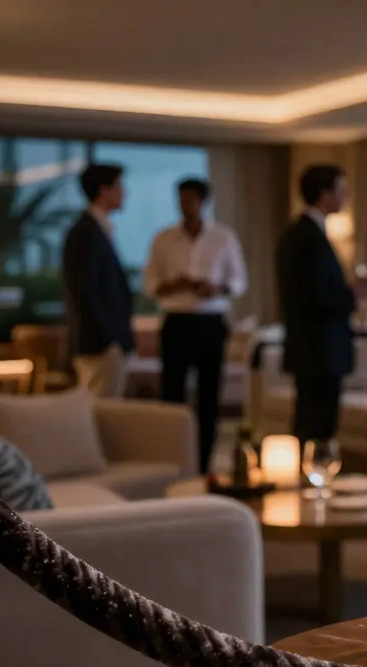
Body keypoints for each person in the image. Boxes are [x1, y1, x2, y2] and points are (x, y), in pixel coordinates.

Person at [143, 178, 247, 476]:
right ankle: (171, 460)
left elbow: (239, 281)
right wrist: (174, 284)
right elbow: (149, 285)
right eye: (181, 199)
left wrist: (216, 288)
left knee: (209, 395)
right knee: (172, 393)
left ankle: (203, 463)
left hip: (210, 322)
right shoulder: (164, 238)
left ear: (203, 202)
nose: (184, 205)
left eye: (190, 199)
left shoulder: (223, 237)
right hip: (176, 321)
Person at [276, 165, 367, 448]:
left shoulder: (299, 234)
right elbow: (315, 297)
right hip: (320, 349)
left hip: (311, 348)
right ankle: (315, 473)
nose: (345, 196)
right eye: (341, 190)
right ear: (324, 194)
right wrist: (353, 296)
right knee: (317, 425)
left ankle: (310, 471)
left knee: (310, 421)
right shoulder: (309, 238)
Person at [62, 163, 135, 398]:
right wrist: (110, 339)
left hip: (105, 342)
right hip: (100, 345)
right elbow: (85, 291)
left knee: (106, 405)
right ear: (104, 191)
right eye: (119, 186)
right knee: (100, 407)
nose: (124, 193)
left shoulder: (97, 228)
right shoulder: (86, 232)